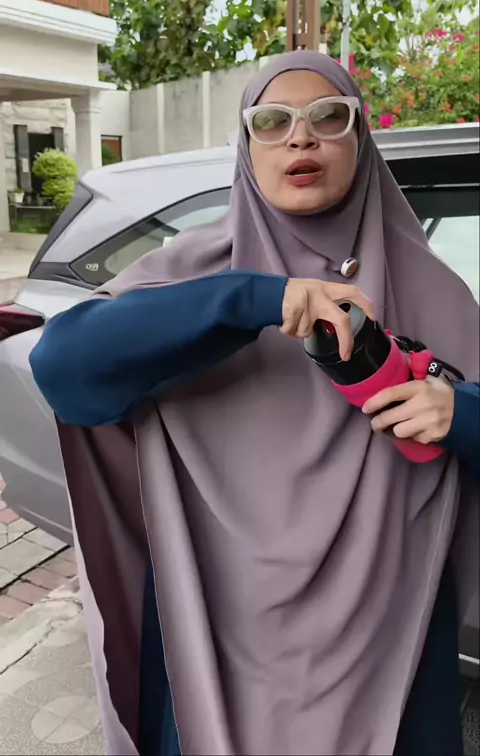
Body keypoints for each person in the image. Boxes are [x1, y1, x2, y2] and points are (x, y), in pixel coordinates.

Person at [30, 51, 479, 756]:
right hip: (214, 642)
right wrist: (256, 298)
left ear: (361, 138)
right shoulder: (195, 274)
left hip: (394, 647)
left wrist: (463, 415)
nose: (300, 137)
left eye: (328, 117)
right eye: (271, 122)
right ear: (247, 147)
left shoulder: (436, 293)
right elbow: (62, 366)